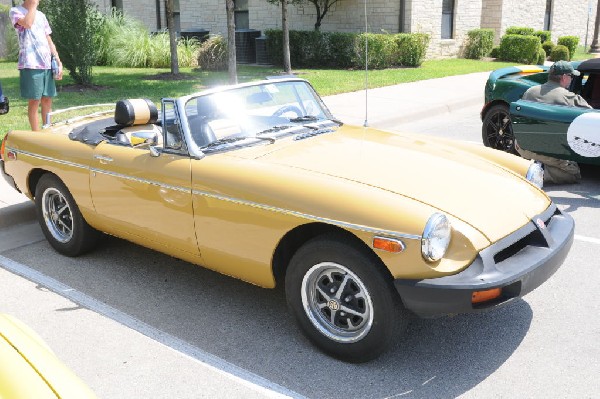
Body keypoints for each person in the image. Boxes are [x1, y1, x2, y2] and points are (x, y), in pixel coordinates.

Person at [516, 60, 592, 184]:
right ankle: (538, 173)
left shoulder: (530, 91)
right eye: (571, 76)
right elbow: (592, 117)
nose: (572, 79)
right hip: (549, 151)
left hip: (523, 146)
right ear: (564, 77)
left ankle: (529, 163)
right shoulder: (569, 97)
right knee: (573, 173)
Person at [9, 0, 63, 131]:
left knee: (47, 99)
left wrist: (57, 58)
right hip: (31, 63)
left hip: (46, 64)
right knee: (34, 100)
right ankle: (36, 135)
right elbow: (27, 23)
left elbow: (48, 38)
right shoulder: (15, 11)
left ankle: (47, 130)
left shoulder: (41, 15)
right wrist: (33, 5)